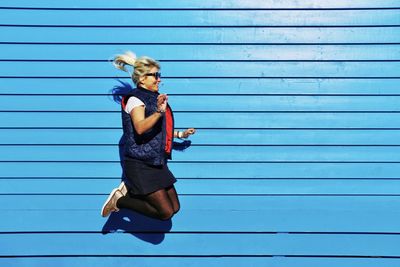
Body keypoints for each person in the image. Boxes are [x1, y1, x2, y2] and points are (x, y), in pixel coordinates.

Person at [101, 51, 195, 220]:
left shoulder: (153, 98)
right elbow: (140, 128)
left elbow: (158, 130)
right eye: (155, 75)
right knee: (165, 213)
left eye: (159, 75)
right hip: (140, 164)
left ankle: (132, 191)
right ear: (143, 78)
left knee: (175, 207)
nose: (159, 79)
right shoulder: (134, 99)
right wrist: (159, 112)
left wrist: (180, 134)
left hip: (156, 162)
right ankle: (120, 201)